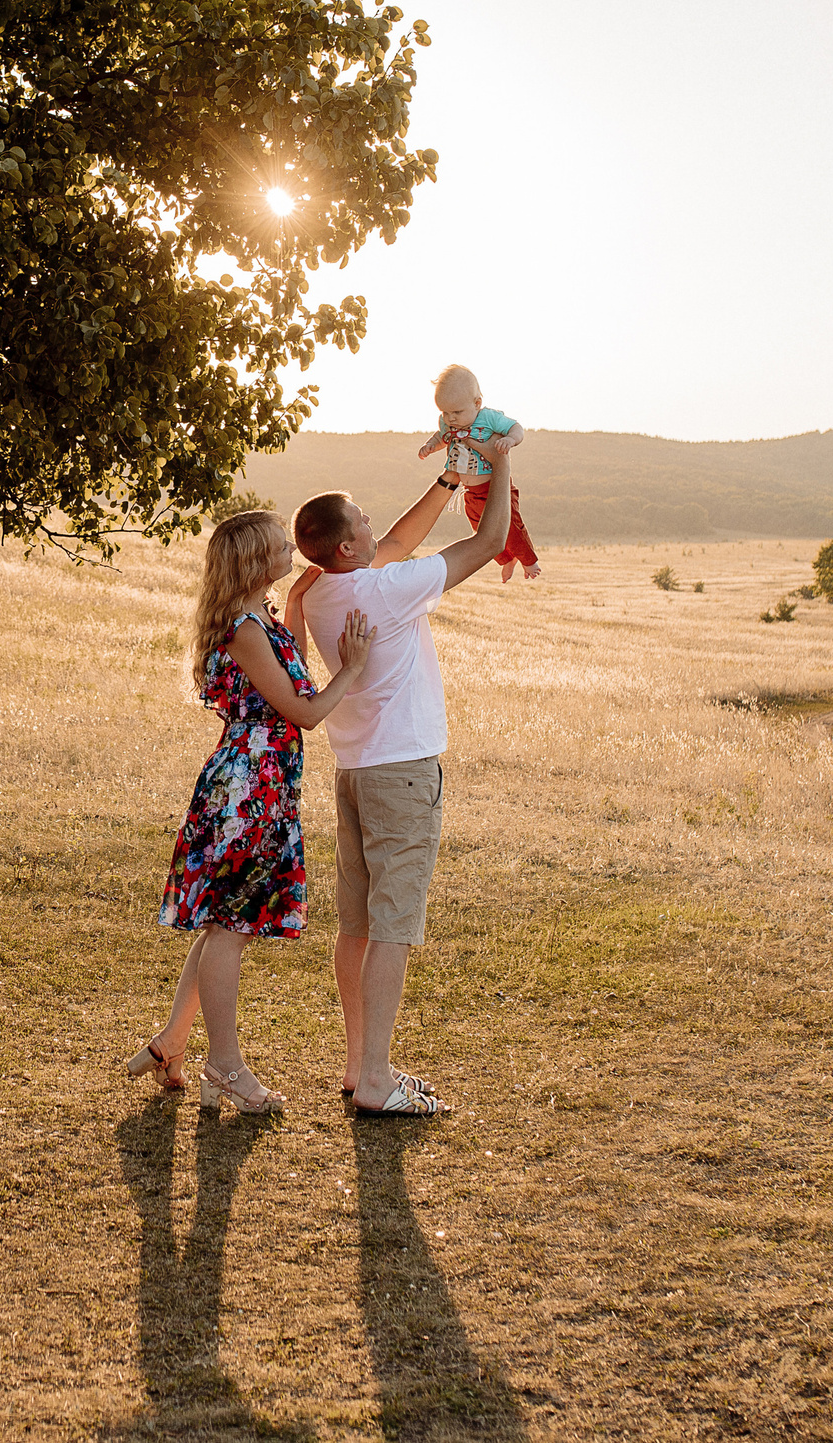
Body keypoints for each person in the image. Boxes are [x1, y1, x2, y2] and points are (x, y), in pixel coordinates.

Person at [282, 437, 515, 1115]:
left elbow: (396, 542)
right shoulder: (385, 590)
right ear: (346, 546)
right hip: (403, 775)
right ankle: (378, 1080)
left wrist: (448, 480)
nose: (371, 522)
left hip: (355, 772)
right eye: (361, 519)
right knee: (392, 927)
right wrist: (500, 461)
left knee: (356, 925)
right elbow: (490, 540)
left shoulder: (323, 590)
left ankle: (359, 1065)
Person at [126, 508, 375, 1113]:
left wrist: (297, 603)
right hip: (248, 790)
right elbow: (305, 712)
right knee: (231, 930)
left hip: (261, 783)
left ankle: (171, 1043)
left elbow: (292, 676)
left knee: (223, 924)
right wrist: (352, 669)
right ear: (254, 560)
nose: (291, 549)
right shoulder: (243, 629)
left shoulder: (260, 619)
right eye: (279, 545)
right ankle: (225, 1067)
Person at [417, 363, 538, 580]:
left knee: (511, 526)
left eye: (457, 412)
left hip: (495, 488)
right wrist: (430, 446)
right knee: (480, 531)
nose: (450, 418)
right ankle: (506, 559)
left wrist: (510, 440)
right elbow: (440, 437)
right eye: (445, 412)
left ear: (477, 403)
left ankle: (529, 561)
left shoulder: (488, 418)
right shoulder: (447, 424)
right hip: (470, 491)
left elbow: (516, 427)